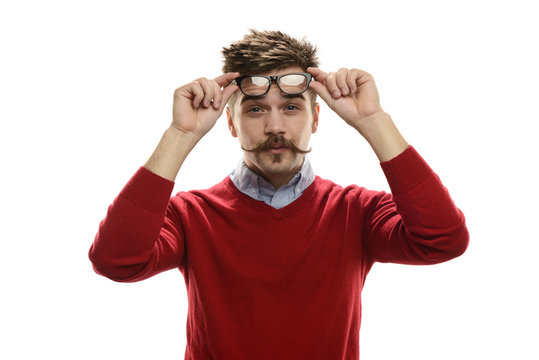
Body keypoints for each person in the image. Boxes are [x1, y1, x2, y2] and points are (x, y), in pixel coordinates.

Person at [89, 30, 469, 359]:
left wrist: (373, 121)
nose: (275, 126)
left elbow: (443, 240)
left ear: (316, 118)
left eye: (290, 107)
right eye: (255, 110)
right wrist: (181, 134)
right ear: (231, 123)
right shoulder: (190, 215)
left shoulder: (357, 211)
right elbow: (115, 261)